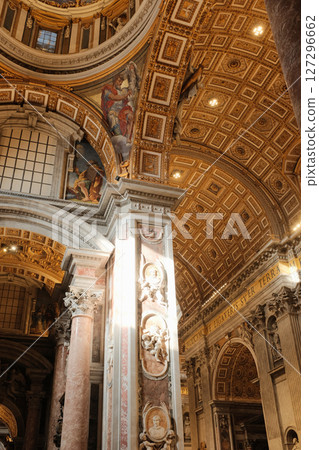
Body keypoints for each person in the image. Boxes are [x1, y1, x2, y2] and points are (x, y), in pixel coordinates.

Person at [101, 74, 134, 142]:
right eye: (119, 81)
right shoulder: (107, 89)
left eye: (121, 82)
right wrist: (125, 95)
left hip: (122, 111)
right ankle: (121, 138)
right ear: (114, 80)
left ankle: (128, 137)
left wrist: (130, 92)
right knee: (117, 132)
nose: (120, 83)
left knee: (130, 116)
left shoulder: (122, 91)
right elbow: (114, 97)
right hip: (113, 112)